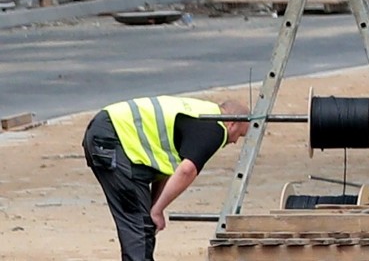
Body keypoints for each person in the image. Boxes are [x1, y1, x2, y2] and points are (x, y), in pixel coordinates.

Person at [82, 95, 250, 260]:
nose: (235, 141)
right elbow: (186, 171)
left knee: (143, 223)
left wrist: (155, 207)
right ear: (232, 123)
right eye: (239, 135)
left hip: (110, 134)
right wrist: (156, 210)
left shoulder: (200, 116)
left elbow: (164, 169)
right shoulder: (215, 129)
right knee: (138, 225)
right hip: (112, 138)